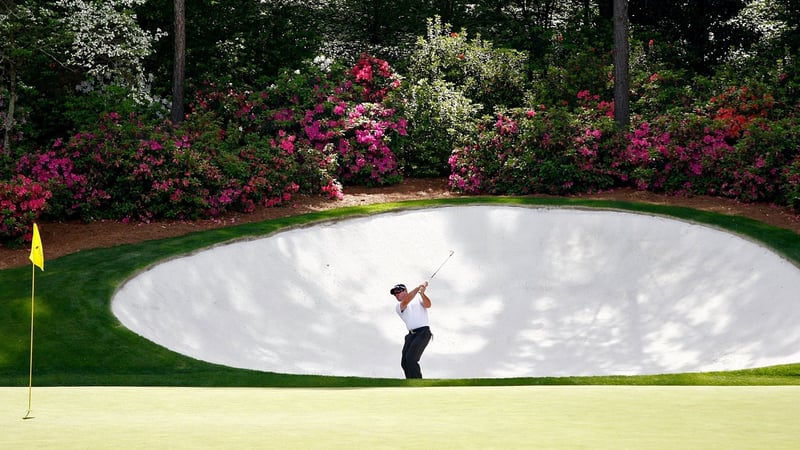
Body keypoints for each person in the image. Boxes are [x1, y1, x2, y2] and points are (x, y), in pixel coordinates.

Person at [390, 281, 432, 379]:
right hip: (411, 335)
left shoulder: (418, 299)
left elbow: (428, 305)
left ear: (405, 291)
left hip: (423, 333)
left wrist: (422, 293)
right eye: (394, 293)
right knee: (404, 362)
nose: (396, 295)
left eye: (398, 291)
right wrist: (418, 288)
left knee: (411, 359)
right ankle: (410, 383)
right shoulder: (399, 306)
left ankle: (418, 384)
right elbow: (406, 301)